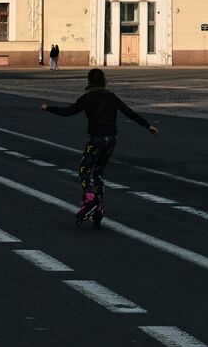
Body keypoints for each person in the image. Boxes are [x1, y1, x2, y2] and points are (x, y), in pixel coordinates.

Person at [41, 68, 158, 229]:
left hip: (96, 139)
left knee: (84, 170)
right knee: (98, 172)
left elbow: (68, 112)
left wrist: (48, 108)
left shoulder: (86, 98)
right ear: (104, 80)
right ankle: (99, 207)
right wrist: (148, 125)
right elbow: (129, 113)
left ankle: (90, 198)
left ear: (89, 81)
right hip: (111, 140)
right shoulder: (112, 97)